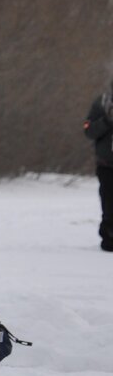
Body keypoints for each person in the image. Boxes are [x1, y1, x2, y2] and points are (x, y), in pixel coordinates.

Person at [83, 78, 113, 252]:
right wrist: (107, 121)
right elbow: (88, 130)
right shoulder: (101, 104)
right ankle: (109, 238)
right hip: (107, 164)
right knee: (109, 204)